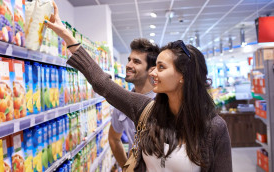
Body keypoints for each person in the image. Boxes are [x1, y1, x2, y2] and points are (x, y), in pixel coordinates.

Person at [45, 2, 232, 171]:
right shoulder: (146, 110)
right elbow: (103, 84)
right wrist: (67, 37)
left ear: (183, 75)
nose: (152, 73)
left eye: (161, 67)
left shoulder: (214, 128)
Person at [109, 38, 159, 168]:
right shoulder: (122, 102)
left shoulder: (164, 102)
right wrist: (125, 167)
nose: (128, 65)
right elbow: (114, 138)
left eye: (136, 62)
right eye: (129, 60)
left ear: (151, 70)